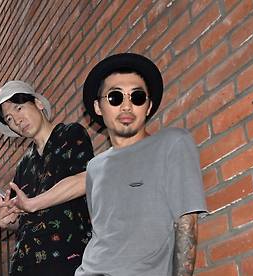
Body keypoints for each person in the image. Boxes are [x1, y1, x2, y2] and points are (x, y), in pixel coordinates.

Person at [75, 53, 207, 276]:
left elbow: (186, 224)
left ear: (148, 106)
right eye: (115, 97)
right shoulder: (94, 168)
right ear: (98, 107)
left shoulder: (172, 143)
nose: (127, 106)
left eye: (137, 97)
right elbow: (101, 231)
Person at [0, 80, 94, 276]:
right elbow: (24, 216)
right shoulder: (23, 166)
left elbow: (85, 179)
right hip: (25, 264)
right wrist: (8, 220)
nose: (18, 121)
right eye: (10, 119)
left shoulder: (69, 134)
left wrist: (31, 203)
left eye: (19, 108)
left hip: (68, 258)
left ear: (38, 104)